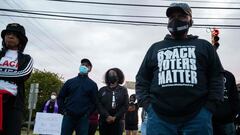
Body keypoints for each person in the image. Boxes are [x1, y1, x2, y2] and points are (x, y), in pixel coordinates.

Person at [135, 3, 224, 135]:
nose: (175, 20)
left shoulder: (204, 46)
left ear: (191, 21)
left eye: (181, 16)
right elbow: (142, 79)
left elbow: (217, 77)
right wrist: (148, 106)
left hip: (197, 118)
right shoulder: (155, 48)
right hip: (159, 118)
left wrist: (209, 108)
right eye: (171, 17)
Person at [0, 23, 33, 135]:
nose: (10, 36)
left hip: (13, 104)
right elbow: (17, 75)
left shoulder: (26, 59)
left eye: (14, 35)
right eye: (8, 34)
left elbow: (23, 74)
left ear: (21, 40)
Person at [58, 58, 98, 135]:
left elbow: (95, 102)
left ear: (90, 69)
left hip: (83, 119)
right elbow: (61, 97)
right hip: (68, 116)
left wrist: (87, 114)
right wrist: (63, 110)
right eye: (82, 64)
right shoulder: (70, 82)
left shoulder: (92, 85)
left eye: (86, 65)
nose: (84, 66)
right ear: (79, 66)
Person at [212, 44, 240, 135]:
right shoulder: (204, 75)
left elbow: (234, 97)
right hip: (208, 121)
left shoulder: (229, 75)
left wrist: (233, 114)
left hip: (227, 121)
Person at [97, 68, 129, 135]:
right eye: (110, 74)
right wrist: (107, 116)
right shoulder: (102, 90)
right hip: (104, 121)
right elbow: (99, 105)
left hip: (118, 122)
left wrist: (115, 117)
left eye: (113, 74)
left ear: (118, 76)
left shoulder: (123, 90)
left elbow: (125, 106)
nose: (111, 75)